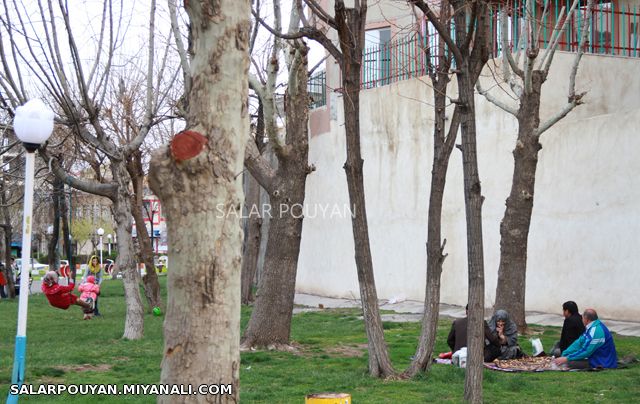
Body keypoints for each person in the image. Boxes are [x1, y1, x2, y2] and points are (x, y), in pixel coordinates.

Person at [553, 308, 618, 369]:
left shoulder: (595, 331)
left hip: (601, 362)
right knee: (559, 353)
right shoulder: (593, 326)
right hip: (592, 357)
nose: (582, 320)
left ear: (586, 319)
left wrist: (566, 358)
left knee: (566, 363)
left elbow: (586, 351)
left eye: (582, 318)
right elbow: (579, 342)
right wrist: (565, 353)